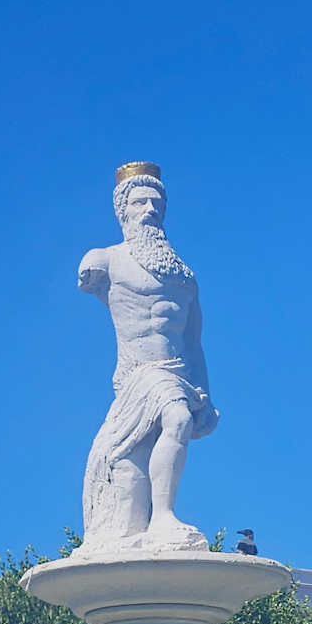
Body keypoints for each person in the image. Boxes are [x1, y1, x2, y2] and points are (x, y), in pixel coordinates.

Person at [77, 163, 219, 551]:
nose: (150, 210)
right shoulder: (105, 260)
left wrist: (206, 394)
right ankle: (163, 517)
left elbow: (194, 342)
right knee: (176, 419)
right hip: (138, 373)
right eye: (140, 202)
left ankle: (157, 517)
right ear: (122, 211)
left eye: (156, 203)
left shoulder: (184, 278)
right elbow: (86, 276)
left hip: (178, 372)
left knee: (168, 429)